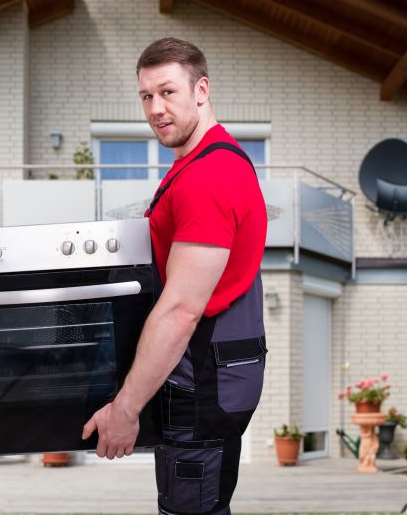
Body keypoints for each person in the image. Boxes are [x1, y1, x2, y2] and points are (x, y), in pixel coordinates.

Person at [82, 38, 268, 515]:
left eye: (167, 92)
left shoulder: (211, 176)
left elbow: (182, 310)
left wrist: (125, 410)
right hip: (195, 379)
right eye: (146, 96)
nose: (156, 109)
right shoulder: (191, 166)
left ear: (200, 89)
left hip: (200, 382)